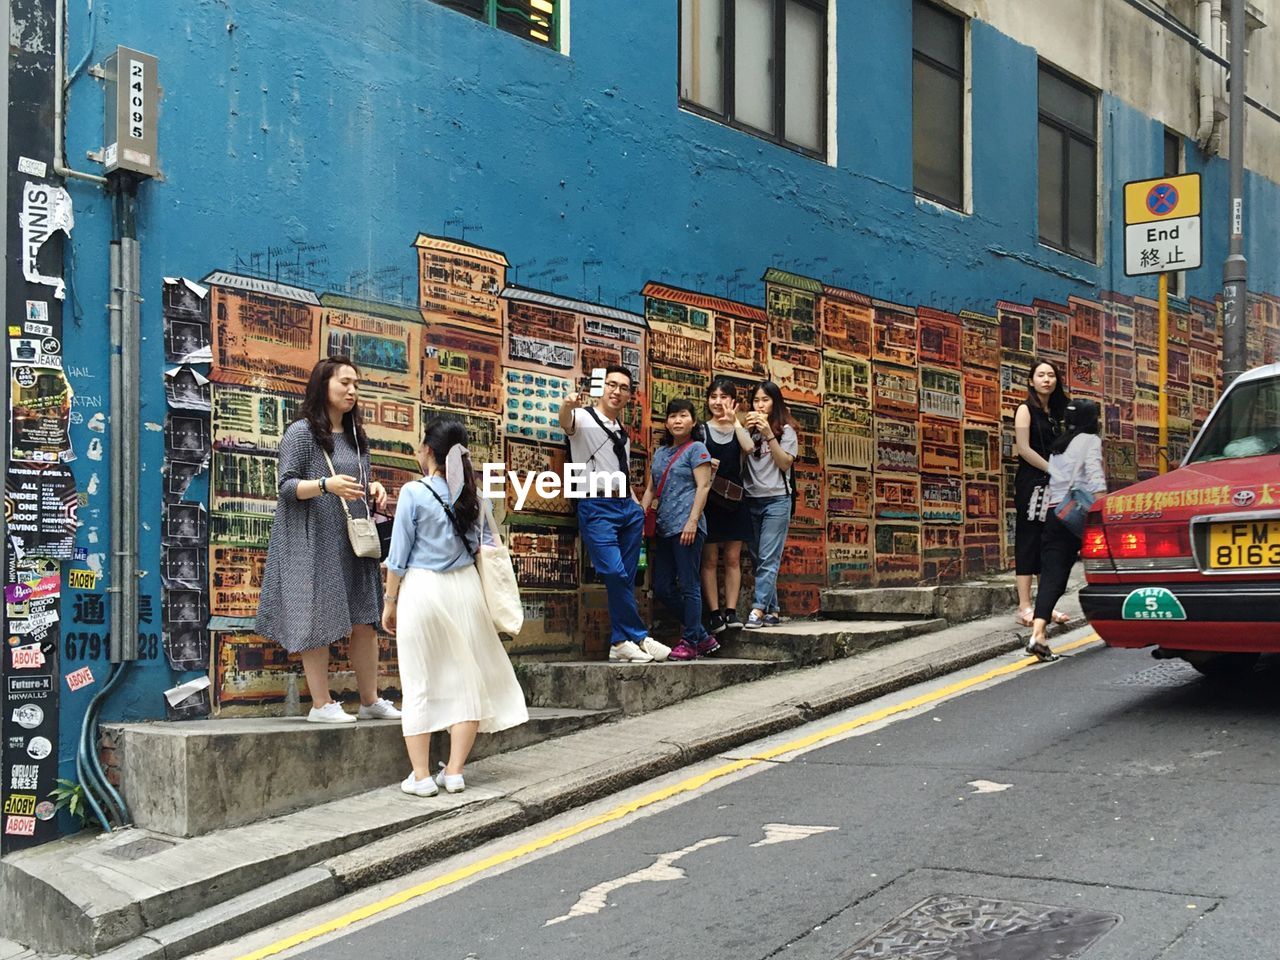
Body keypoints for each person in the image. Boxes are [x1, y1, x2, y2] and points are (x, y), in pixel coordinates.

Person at [381, 418, 529, 796]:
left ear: (429, 451)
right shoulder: (477, 498)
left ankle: (420, 776)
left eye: (419, 446)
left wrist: (389, 601)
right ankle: (455, 772)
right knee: (466, 681)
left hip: (422, 589)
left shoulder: (414, 493)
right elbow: (487, 548)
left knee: (419, 682)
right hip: (465, 591)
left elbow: (397, 558)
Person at [257, 356, 401, 723]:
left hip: (352, 537)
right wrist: (325, 485)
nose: (352, 391)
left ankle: (370, 700)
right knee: (317, 614)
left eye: (356, 384)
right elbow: (286, 486)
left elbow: (352, 481)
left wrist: (374, 488)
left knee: (365, 619)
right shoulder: (301, 433)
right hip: (313, 538)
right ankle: (321, 704)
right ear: (323, 386)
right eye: (345, 383)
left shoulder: (356, 435)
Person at [558, 365, 670, 663]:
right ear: (601, 388)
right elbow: (566, 421)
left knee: (626, 577)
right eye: (611, 384)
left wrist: (635, 505)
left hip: (626, 508)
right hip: (595, 506)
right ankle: (639, 636)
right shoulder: (582, 418)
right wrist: (567, 405)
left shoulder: (622, 432)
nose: (616, 391)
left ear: (629, 395)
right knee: (614, 572)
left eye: (623, 387)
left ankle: (619, 642)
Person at [1026, 399, 1107, 661]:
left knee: (1053, 576)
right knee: (1106, 566)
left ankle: (1038, 633)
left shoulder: (1059, 444)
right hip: (1079, 514)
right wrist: (1105, 508)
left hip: (1054, 513)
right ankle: (1112, 623)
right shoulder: (1090, 440)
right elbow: (1095, 477)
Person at [642, 399, 717, 661]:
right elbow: (651, 489)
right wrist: (642, 516)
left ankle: (690, 641)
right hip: (664, 527)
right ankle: (702, 634)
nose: (677, 421)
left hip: (688, 527)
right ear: (666, 422)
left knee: (689, 584)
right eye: (672, 416)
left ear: (693, 421)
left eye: (683, 415)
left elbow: (703, 487)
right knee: (662, 587)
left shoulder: (697, 449)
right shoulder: (661, 453)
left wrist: (693, 521)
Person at [1012, 359, 1072, 628]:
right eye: (1041, 375)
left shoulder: (1058, 413)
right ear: (1030, 380)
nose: (1047, 380)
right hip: (1032, 483)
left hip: (1055, 484)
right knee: (1028, 540)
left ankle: (1044, 608)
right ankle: (1024, 606)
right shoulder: (1025, 410)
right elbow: (1023, 449)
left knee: (1048, 542)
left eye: (1051, 375)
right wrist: (1052, 469)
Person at [742, 381, 799, 630]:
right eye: (756, 401)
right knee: (758, 558)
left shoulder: (786, 431)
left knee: (768, 557)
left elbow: (784, 463)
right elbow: (740, 460)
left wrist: (768, 435)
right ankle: (773, 610)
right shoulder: (748, 430)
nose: (760, 405)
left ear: (775, 402)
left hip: (777, 499)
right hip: (751, 498)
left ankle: (757, 609)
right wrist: (744, 431)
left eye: (765, 400)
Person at [699, 379, 754, 633]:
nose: (718, 402)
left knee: (733, 558)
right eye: (713, 396)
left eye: (724, 397)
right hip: (708, 500)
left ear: (733, 401)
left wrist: (735, 421)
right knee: (709, 559)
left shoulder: (737, 428)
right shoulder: (701, 430)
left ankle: (731, 612)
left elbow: (749, 447)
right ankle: (713, 614)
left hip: (735, 500)